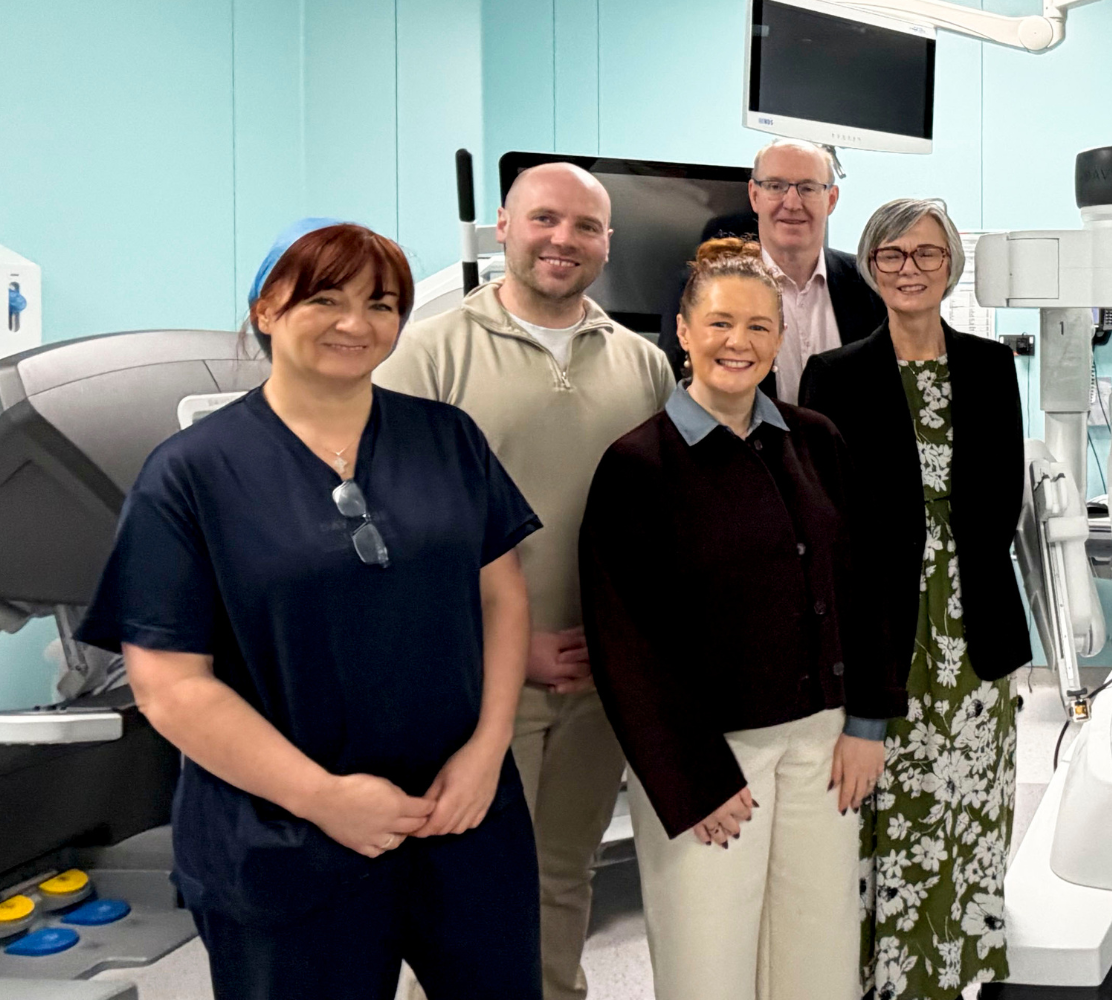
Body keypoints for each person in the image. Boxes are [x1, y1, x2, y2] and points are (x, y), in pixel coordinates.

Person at [77, 220, 542, 999]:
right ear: (265, 310)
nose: (356, 323)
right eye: (325, 298)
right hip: (284, 836)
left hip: (460, 815)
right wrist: (323, 798)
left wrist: (488, 749)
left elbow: (502, 595)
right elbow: (170, 686)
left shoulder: (448, 438)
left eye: (382, 302)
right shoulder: (189, 476)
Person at [372, 162, 672, 1000]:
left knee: (564, 873)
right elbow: (392, 538)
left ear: (607, 243)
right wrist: (510, 644)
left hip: (600, 676)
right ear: (503, 227)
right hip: (478, 682)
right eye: (545, 220)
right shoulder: (426, 358)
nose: (563, 240)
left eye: (585, 227)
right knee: (471, 888)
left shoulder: (641, 365)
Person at [578, 237, 896, 1000]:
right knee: (709, 967)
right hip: (713, 761)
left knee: (817, 964)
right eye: (720, 323)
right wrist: (693, 779)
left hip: (823, 747)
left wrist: (868, 724)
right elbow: (625, 643)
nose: (739, 343)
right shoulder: (639, 466)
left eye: (759, 327)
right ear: (683, 332)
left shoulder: (815, 441)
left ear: (781, 339)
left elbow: (862, 585)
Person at [798, 198, 1031, 998]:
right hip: (881, 620)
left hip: (976, 626)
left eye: (927, 255)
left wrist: (946, 550)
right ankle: (882, 978)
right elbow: (826, 512)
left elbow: (1004, 500)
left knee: (970, 806)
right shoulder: (834, 374)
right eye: (892, 256)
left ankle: (959, 967)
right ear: (870, 266)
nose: (909, 270)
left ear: (951, 268)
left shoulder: (992, 368)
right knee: (886, 811)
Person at [666, 138, 885, 397]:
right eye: (775, 186)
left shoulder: (870, 282)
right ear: (754, 195)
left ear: (831, 199)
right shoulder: (704, 287)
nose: (792, 203)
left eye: (808, 188)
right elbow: (674, 385)